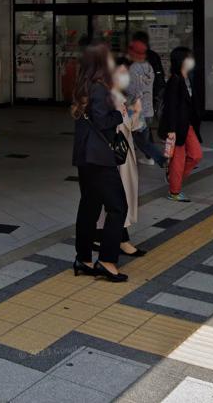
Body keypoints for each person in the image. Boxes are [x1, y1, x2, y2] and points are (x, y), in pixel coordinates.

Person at [71, 42, 129, 282]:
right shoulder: (100, 90)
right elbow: (104, 121)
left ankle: (83, 259)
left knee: (89, 207)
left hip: (85, 157)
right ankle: (106, 260)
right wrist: (121, 113)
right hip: (99, 158)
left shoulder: (83, 87)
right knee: (118, 207)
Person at [98, 59, 146, 258]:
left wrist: (137, 111)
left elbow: (130, 127)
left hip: (123, 154)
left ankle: (107, 235)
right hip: (115, 158)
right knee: (119, 199)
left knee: (117, 199)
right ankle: (122, 240)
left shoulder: (120, 96)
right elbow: (112, 126)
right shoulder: (108, 97)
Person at [158, 46, 201, 203]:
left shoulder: (187, 78)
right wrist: (171, 130)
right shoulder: (174, 80)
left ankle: (173, 178)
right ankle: (174, 191)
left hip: (187, 125)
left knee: (196, 155)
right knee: (178, 159)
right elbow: (171, 107)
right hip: (176, 127)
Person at [125, 39, 167, 168]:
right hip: (148, 109)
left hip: (137, 111)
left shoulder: (133, 69)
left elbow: (132, 91)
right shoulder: (148, 67)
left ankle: (162, 161)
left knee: (142, 141)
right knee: (142, 139)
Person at [130, 31, 166, 116]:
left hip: (138, 98)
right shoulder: (153, 55)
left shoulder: (135, 57)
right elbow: (159, 77)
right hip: (149, 97)